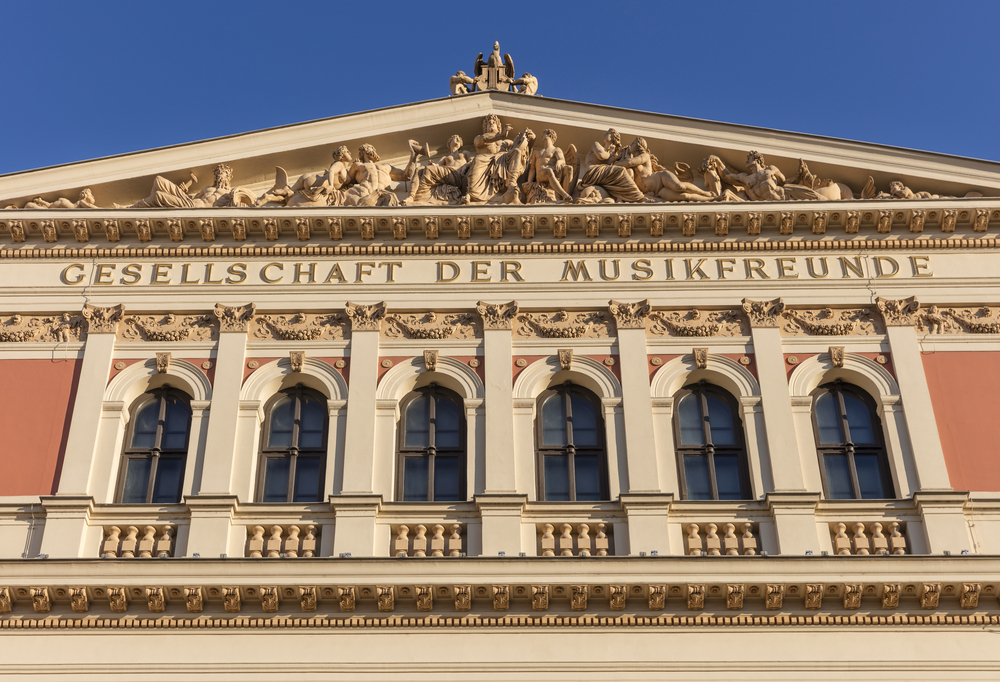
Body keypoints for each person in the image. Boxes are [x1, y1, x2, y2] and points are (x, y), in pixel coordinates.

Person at [614, 137, 717, 202]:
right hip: (659, 192)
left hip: (661, 178)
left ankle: (706, 193)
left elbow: (629, 162)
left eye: (632, 144)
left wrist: (614, 163)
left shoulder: (644, 156)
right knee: (685, 196)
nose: (629, 146)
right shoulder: (630, 172)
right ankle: (713, 198)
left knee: (679, 186)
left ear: (638, 145)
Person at [462, 114, 535, 204]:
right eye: (489, 123)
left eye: (494, 123)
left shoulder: (507, 142)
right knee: (477, 160)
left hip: (503, 161)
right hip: (485, 159)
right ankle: (472, 195)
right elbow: (482, 140)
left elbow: (524, 152)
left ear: (498, 126)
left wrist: (531, 140)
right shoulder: (479, 138)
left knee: (517, 152)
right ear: (485, 128)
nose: (491, 124)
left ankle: (512, 183)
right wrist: (502, 135)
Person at [709, 151, 824, 202]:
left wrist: (798, 174)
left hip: (786, 198)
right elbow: (726, 176)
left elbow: (785, 182)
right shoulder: (744, 178)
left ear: (757, 159)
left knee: (817, 198)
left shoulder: (771, 169)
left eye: (749, 158)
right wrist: (717, 160)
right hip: (763, 208)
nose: (746, 161)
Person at [576, 129, 647, 203]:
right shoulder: (596, 144)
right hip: (591, 173)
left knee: (626, 172)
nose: (605, 135)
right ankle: (638, 197)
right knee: (621, 170)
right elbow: (601, 155)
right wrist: (611, 153)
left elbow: (609, 163)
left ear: (612, 138)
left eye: (607, 133)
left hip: (599, 174)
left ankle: (622, 197)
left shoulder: (608, 154)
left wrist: (619, 156)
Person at [124, 164, 241, 208]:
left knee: (159, 195)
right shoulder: (207, 188)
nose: (219, 176)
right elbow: (194, 199)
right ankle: (151, 210)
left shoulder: (231, 193)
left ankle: (130, 209)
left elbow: (238, 203)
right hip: (189, 204)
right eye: (217, 174)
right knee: (158, 180)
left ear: (229, 177)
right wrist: (184, 192)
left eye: (222, 174)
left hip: (197, 210)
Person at [402, 135, 472, 205]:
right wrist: (432, 164)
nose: (458, 140)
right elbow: (437, 165)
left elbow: (473, 161)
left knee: (428, 169)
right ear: (449, 142)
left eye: (459, 139)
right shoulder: (445, 157)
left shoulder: (464, 153)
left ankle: (420, 194)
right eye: (456, 138)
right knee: (419, 169)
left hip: (456, 174)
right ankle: (411, 197)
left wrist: (465, 166)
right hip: (446, 173)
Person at [343, 143, 419, 207]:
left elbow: (406, 175)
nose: (374, 150)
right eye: (371, 148)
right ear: (363, 150)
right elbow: (346, 180)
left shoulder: (386, 167)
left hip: (384, 199)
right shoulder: (357, 165)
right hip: (365, 195)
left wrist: (413, 156)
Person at [524, 129, 573, 203]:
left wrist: (559, 162)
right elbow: (532, 169)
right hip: (541, 174)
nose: (541, 136)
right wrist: (529, 183)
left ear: (548, 135)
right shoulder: (536, 152)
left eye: (543, 134)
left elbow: (562, 160)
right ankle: (564, 194)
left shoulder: (556, 149)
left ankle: (565, 197)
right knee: (548, 171)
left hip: (554, 173)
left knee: (569, 168)